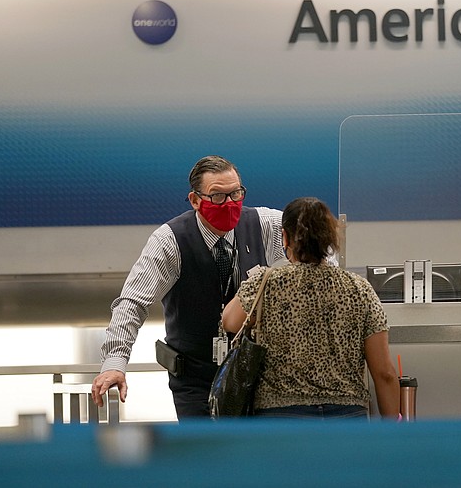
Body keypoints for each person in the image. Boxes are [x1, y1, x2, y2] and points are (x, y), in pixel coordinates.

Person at [91, 155, 284, 419]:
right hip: (195, 380)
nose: (229, 204)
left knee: (253, 457)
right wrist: (114, 363)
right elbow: (132, 304)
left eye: (236, 194)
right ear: (195, 200)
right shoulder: (169, 240)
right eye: (218, 196)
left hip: (256, 374)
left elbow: (316, 244)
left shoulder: (265, 224)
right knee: (205, 455)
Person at [222, 197, 400, 419]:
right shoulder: (359, 288)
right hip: (347, 419)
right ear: (330, 238)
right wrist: (394, 433)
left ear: (284, 237)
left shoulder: (267, 283)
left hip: (281, 421)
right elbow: (384, 373)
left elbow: (229, 321)